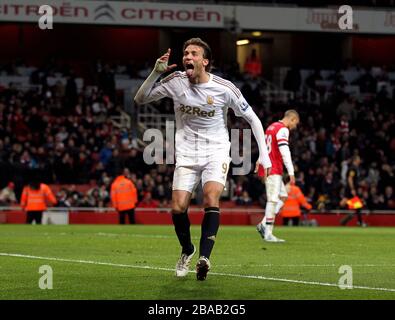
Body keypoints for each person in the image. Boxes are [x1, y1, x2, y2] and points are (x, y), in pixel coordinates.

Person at [134, 38, 271, 280]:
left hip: (216, 151)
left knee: (210, 197)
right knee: (177, 208)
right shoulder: (175, 82)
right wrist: (155, 73)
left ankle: (205, 258)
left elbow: (253, 119)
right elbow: (140, 99)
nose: (187, 57)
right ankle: (187, 250)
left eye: (193, 53)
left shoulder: (224, 88)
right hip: (186, 153)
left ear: (204, 62)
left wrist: (265, 156)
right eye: (185, 52)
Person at [256, 110, 300, 242]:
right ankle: (268, 232)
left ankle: (263, 224)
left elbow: (263, 146)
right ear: (292, 119)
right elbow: (285, 151)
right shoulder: (283, 130)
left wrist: (259, 161)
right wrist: (291, 172)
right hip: (273, 168)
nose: (295, 127)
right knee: (273, 200)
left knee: (283, 196)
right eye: (295, 123)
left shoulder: (271, 127)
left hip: (268, 167)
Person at [340, 155, 366, 227]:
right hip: (350, 190)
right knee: (358, 206)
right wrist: (352, 189)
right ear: (355, 160)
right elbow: (350, 179)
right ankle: (359, 222)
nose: (360, 160)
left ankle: (358, 221)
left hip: (351, 189)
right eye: (359, 159)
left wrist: (360, 183)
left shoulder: (356, 168)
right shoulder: (353, 168)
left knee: (356, 206)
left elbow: (353, 180)